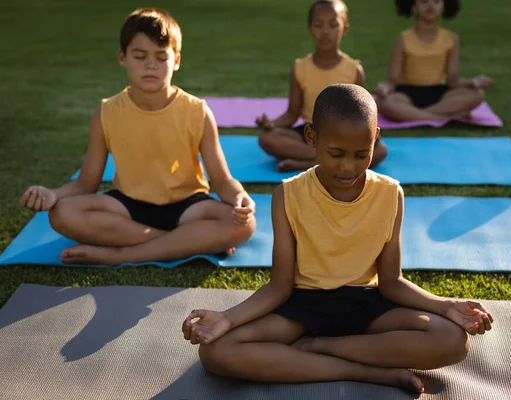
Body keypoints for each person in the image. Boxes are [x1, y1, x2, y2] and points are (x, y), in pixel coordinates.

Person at [183, 84, 493, 393]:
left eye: (362, 154)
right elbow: (279, 286)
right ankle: (368, 372)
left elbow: (392, 281)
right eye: (336, 153)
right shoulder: (287, 195)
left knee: (452, 341)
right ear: (311, 138)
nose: (349, 166)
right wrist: (227, 318)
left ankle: (320, 347)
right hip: (303, 307)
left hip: (368, 305)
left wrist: (445, 306)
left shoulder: (391, 194)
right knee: (216, 352)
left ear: (375, 138)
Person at [19, 8, 255, 265]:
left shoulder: (198, 111)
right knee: (62, 213)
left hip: (188, 206)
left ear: (176, 60)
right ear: (123, 57)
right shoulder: (107, 112)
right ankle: (185, 241)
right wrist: (53, 194)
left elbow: (221, 181)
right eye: (140, 56)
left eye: (161, 57)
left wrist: (241, 197)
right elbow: (85, 184)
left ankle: (121, 254)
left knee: (245, 225)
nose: (150, 65)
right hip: (127, 207)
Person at [256, 0, 387, 172]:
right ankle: (328, 159)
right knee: (267, 139)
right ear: (310, 28)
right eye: (319, 25)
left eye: (333, 25)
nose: (325, 31)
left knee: (381, 150)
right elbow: (291, 114)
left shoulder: (354, 70)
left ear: (344, 29)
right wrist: (272, 124)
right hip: (310, 133)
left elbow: (362, 114)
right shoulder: (300, 69)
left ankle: (309, 163)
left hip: (343, 134)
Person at [375, 0, 494, 122]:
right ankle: (445, 118)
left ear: (445, 6)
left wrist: (473, 82)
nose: (430, 6)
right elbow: (391, 81)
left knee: (477, 94)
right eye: (424, 1)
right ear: (413, 6)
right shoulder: (402, 39)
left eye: (436, 1)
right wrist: (384, 88)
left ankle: (413, 115)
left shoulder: (451, 39)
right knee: (383, 101)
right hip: (406, 94)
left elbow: (453, 81)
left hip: (440, 94)